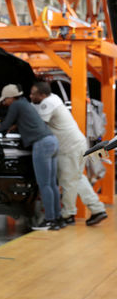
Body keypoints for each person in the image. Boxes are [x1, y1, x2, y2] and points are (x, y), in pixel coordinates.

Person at [30, 82, 108, 226]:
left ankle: (68, 215)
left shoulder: (48, 103)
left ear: (42, 95)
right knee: (77, 178)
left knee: (68, 181)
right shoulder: (53, 98)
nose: (31, 96)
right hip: (76, 143)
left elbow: (39, 125)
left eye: (33, 93)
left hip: (69, 147)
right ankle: (97, 209)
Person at [0, 84, 62, 230]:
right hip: (52, 141)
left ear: (11, 98)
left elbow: (5, 124)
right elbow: (27, 121)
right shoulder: (25, 104)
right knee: (51, 184)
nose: (4, 103)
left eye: (5, 100)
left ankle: (49, 220)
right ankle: (57, 218)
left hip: (41, 145)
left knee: (44, 185)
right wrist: (17, 126)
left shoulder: (16, 106)